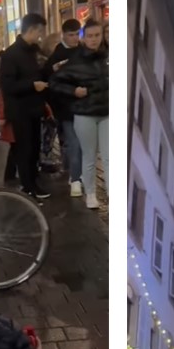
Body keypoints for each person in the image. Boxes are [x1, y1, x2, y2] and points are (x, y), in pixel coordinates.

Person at [49, 18, 108, 209]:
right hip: (83, 113)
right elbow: (55, 82)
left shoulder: (108, 56)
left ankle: (111, 191)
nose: (94, 39)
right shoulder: (74, 60)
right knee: (87, 154)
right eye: (90, 36)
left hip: (107, 112)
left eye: (97, 35)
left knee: (108, 156)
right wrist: (74, 92)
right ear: (84, 38)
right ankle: (88, 191)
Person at [0, 13, 51, 199]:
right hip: (20, 111)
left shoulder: (34, 51)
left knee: (34, 148)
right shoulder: (11, 54)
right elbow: (7, 86)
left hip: (35, 108)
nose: (40, 35)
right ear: (31, 29)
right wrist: (32, 85)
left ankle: (33, 180)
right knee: (24, 149)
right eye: (39, 31)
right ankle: (28, 185)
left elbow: (40, 72)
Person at [44, 19, 83, 196]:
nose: (75, 38)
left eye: (77, 34)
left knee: (80, 144)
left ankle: (74, 172)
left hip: (84, 106)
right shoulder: (57, 56)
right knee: (72, 143)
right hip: (65, 107)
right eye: (71, 35)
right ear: (64, 35)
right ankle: (75, 176)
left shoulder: (85, 51)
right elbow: (51, 81)